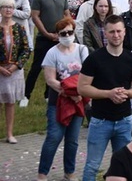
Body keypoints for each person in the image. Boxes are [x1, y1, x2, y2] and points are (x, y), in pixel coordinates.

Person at [78, 15, 132, 181]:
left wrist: (126, 93)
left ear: (124, 33)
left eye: (119, 31)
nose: (116, 35)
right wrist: (108, 93)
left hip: (124, 120)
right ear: (105, 34)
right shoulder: (94, 59)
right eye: (112, 32)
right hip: (100, 120)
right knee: (92, 166)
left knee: (124, 166)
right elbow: (82, 88)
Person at [37, 17, 88, 181]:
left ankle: (70, 172)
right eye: (63, 33)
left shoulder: (82, 50)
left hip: (79, 100)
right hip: (58, 101)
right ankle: (42, 173)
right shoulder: (52, 53)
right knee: (54, 137)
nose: (67, 35)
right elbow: (51, 80)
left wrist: (79, 94)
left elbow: (87, 74)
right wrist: (69, 94)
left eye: (69, 32)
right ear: (58, 35)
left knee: (72, 140)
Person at [23, 0, 69, 107]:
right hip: (44, 38)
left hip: (59, 38)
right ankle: (26, 95)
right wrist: (46, 33)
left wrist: (63, 33)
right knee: (36, 66)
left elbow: (66, 14)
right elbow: (35, 16)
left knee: (56, 68)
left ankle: (48, 95)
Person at [0, 0, 30, 144]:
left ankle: (9, 133)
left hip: (14, 71)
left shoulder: (20, 28)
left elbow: (26, 50)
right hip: (0, 70)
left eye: (10, 7)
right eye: (5, 7)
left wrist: (15, 66)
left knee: (10, 102)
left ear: (14, 10)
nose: (7, 10)